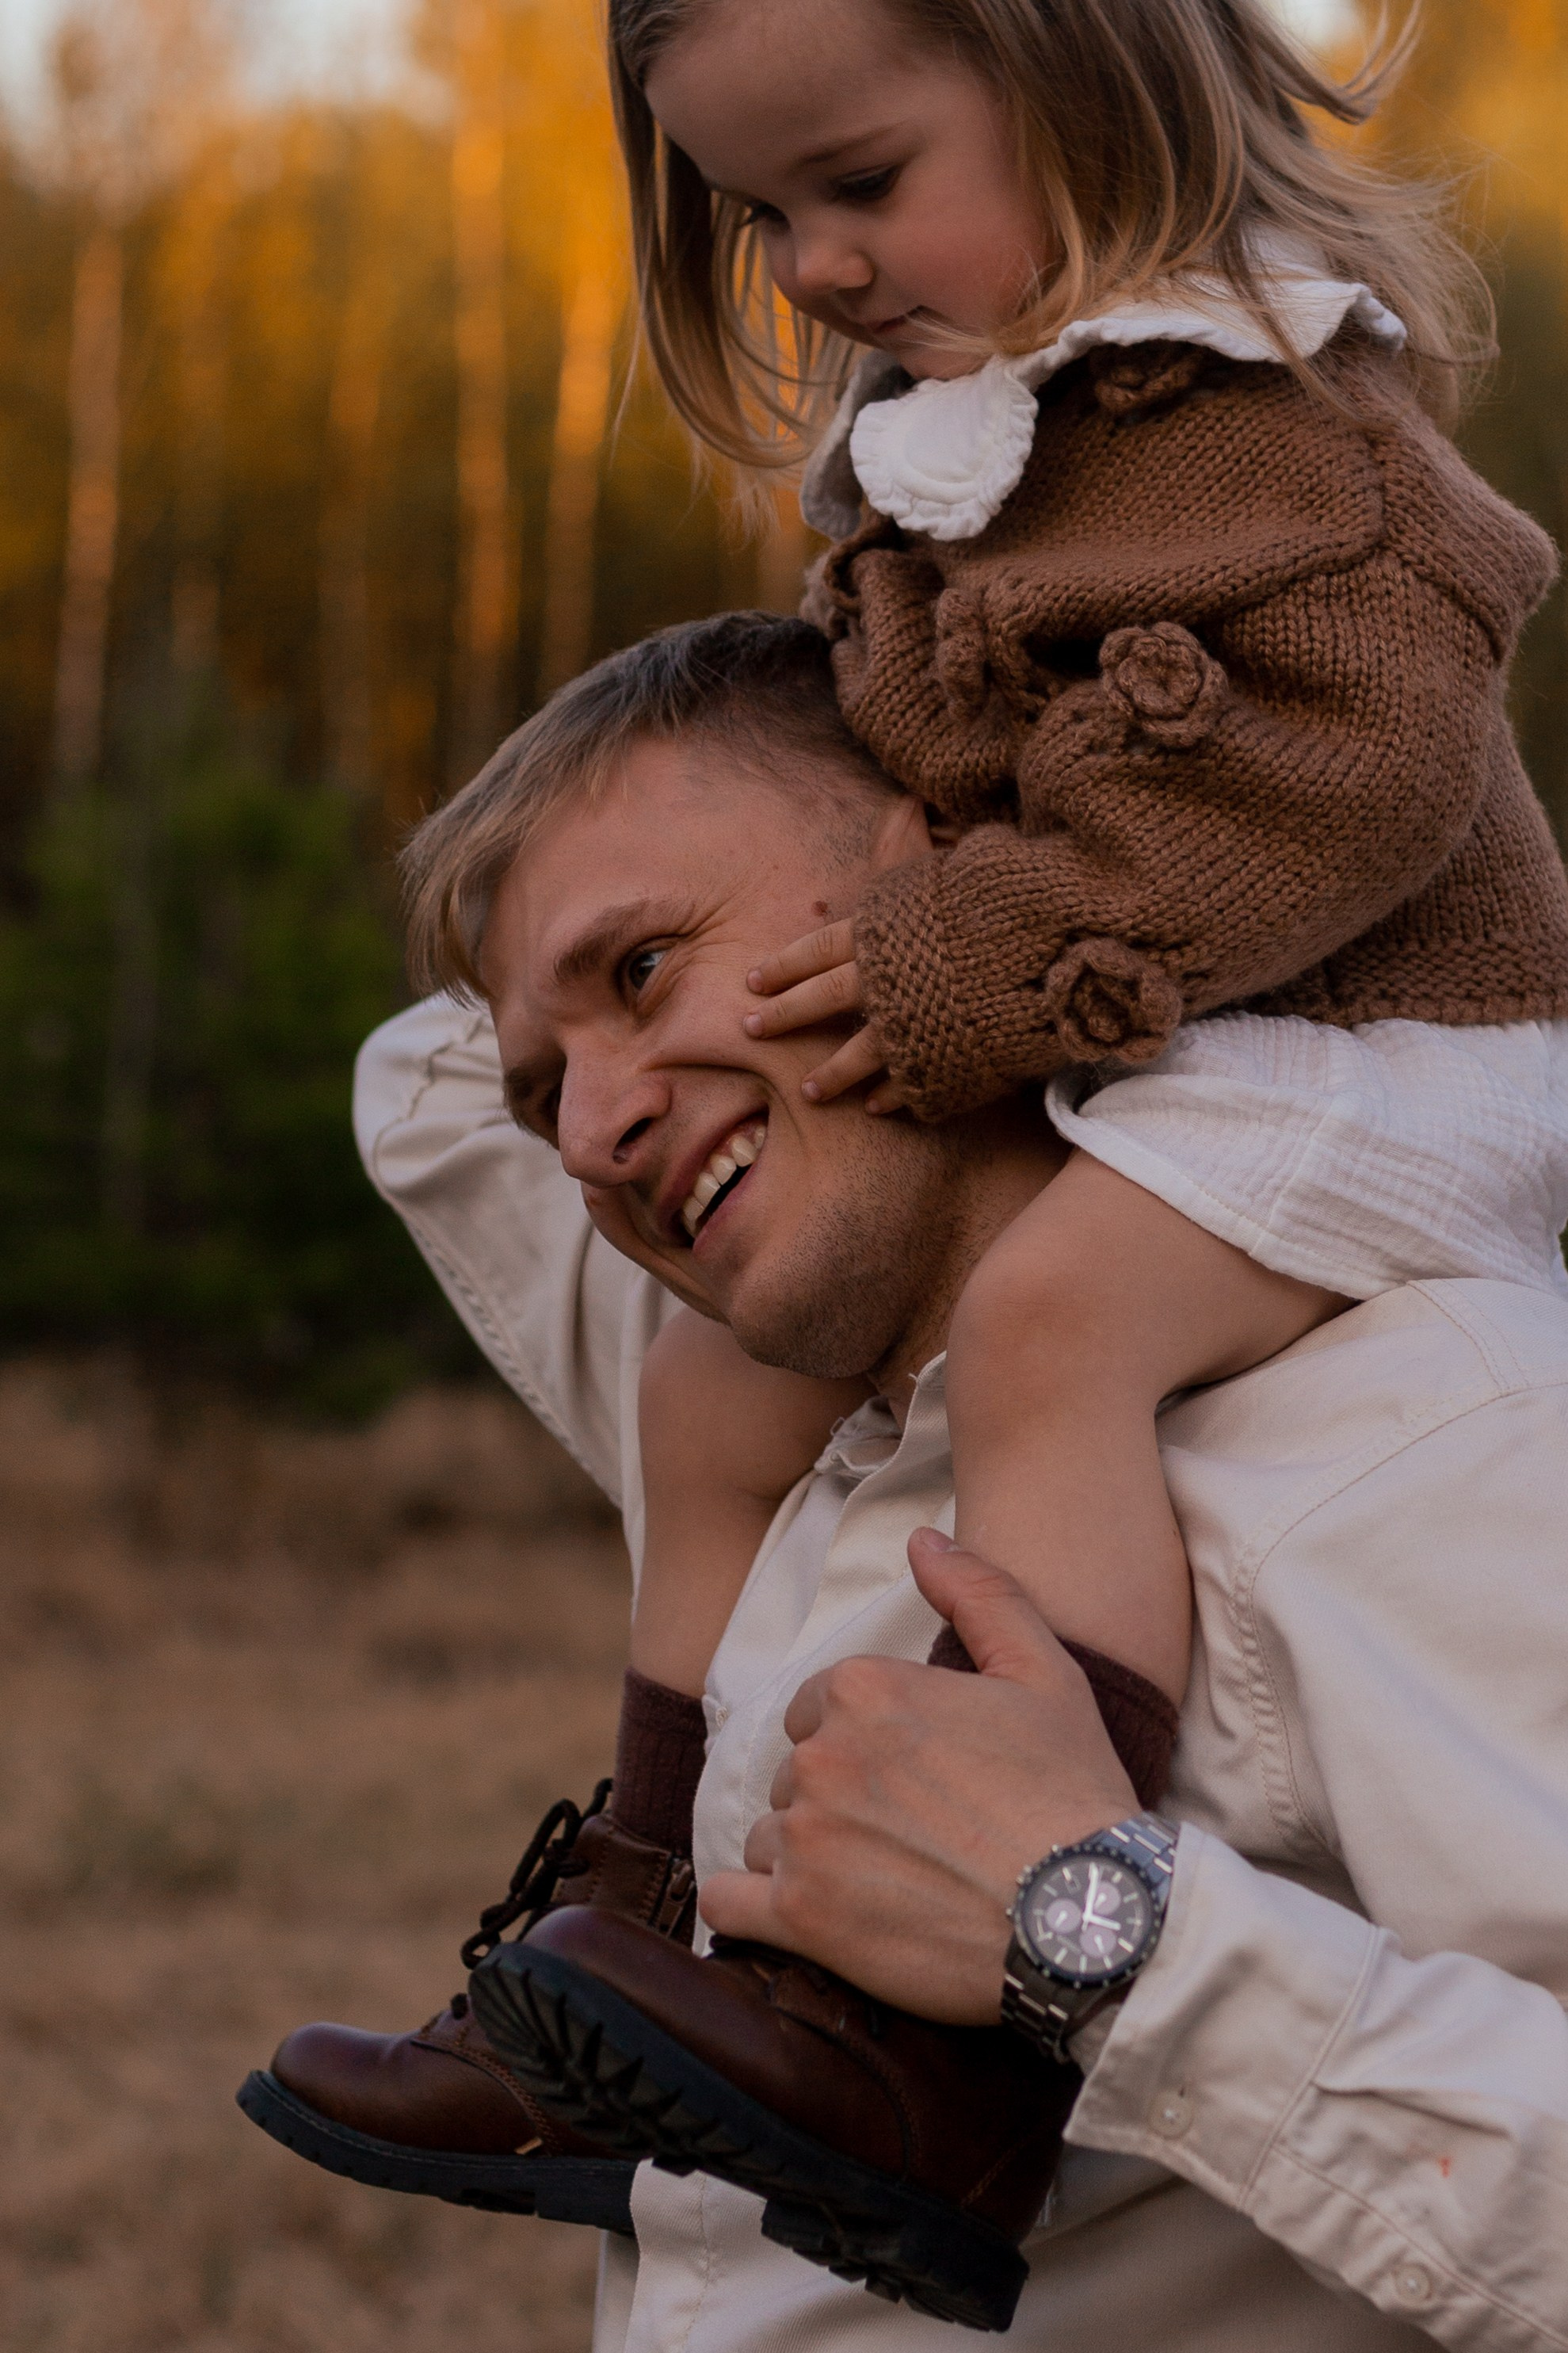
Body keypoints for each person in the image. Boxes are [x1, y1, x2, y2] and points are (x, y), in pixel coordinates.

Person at [344, 613, 1568, 2351]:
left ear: (952, 873)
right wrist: (917, 620)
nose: (593, 1137)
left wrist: (1114, 1944)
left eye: (640, 972)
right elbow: (417, 1085)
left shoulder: (1411, 1441)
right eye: (549, 1089)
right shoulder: (746, 1424)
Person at [591, 0, 1568, 1911]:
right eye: (755, 216)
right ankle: (636, 1901)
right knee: (710, 1394)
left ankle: (1007, 1888)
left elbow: (1359, 770)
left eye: (861, 183)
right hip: (1166, 1034)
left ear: (1096, 86)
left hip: (1392, 1034)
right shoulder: (981, 430)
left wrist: (958, 957)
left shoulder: (1258, 413)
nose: (814, 265)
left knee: (1048, 1327)